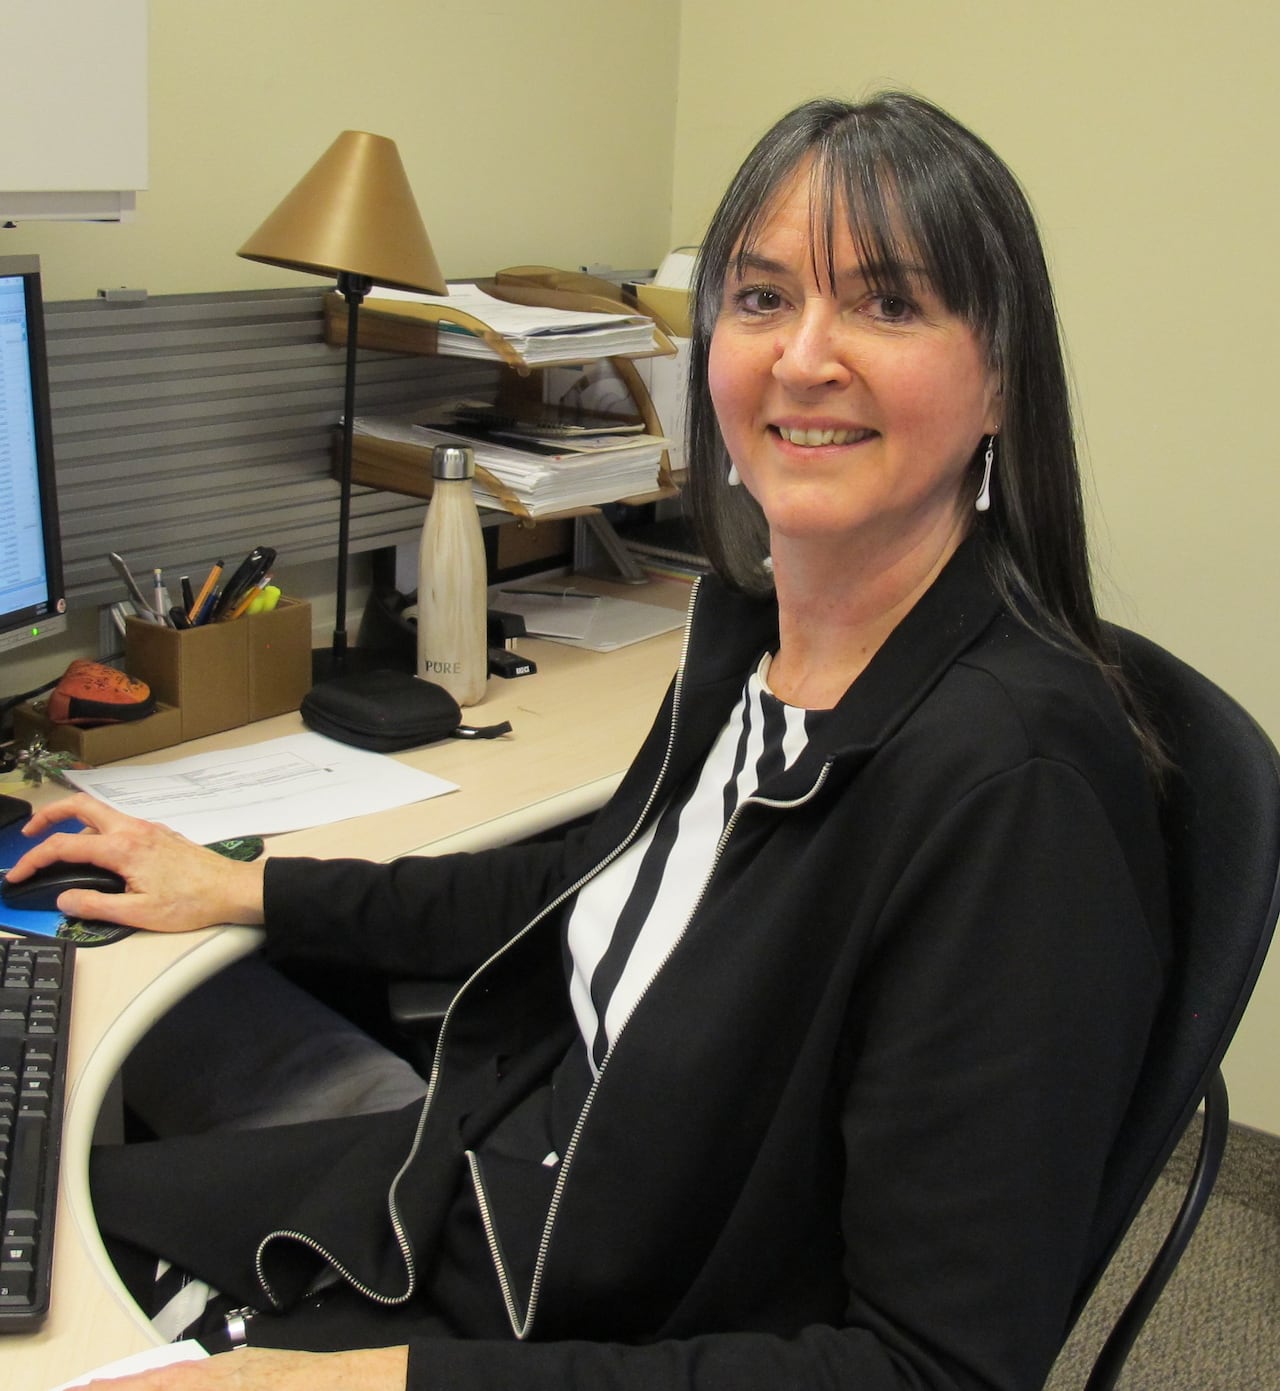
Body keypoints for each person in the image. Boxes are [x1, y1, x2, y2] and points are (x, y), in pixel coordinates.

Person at [11, 92, 1170, 1391]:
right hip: (484, 1192)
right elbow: (573, 891)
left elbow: (925, 1371)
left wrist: (367, 1384)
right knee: (55, 1231)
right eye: (764, 297)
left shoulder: (1016, 790)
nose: (804, 356)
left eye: (888, 304)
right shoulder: (752, 626)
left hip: (591, 1322)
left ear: (1003, 372)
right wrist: (242, 886)